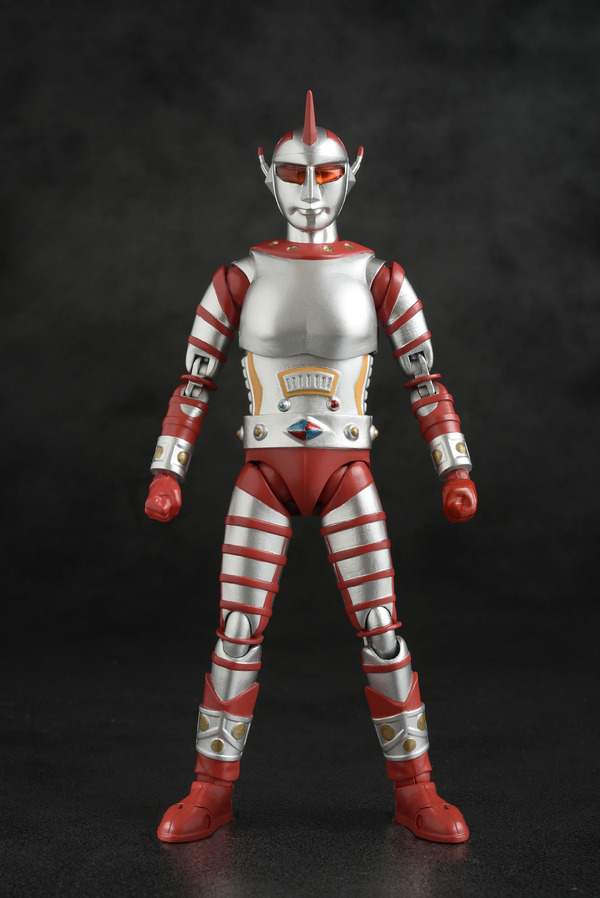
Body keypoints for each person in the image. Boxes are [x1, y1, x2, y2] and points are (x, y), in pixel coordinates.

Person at [145, 91, 477, 844]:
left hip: (345, 469)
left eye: (324, 174)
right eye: (294, 173)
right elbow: (193, 383)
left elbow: (426, 382)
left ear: (352, 172)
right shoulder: (238, 276)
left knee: (382, 630)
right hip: (263, 473)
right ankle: (209, 792)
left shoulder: (379, 276)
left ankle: (418, 791)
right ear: (267, 173)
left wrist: (454, 467)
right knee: (236, 631)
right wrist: (168, 471)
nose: (309, 190)